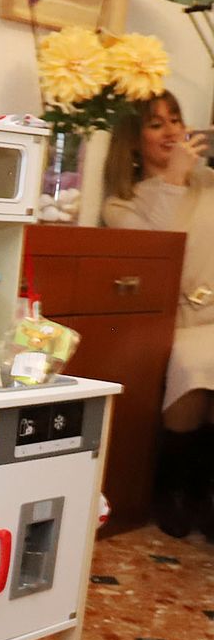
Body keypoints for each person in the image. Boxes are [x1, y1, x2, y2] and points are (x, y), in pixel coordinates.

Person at [101, 92, 214, 537]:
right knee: (194, 362)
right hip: (175, 324)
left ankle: (203, 489)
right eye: (155, 124)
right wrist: (173, 181)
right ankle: (174, 489)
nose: (171, 131)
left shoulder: (209, 185)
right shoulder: (122, 205)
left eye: (176, 119)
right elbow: (164, 263)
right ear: (132, 140)